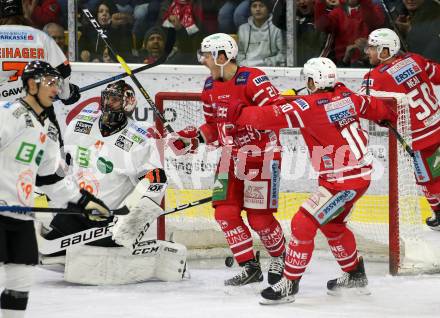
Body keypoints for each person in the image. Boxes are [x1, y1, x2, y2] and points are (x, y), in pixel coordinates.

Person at [234, 57, 397, 303]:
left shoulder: (307, 106)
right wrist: (386, 117)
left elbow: (263, 118)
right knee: (333, 225)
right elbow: (377, 107)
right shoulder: (349, 97)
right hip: (359, 176)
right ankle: (354, 274)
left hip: (342, 182)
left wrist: (239, 110)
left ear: (312, 81)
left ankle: (289, 283)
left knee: (303, 222)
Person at [42, 80, 187, 284]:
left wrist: (133, 221)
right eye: (107, 98)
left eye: (115, 99)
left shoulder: (140, 140)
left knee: (93, 257)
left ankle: (143, 252)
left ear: (128, 104)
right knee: (49, 252)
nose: (108, 103)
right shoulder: (79, 125)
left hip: (108, 219)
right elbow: (63, 162)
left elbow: (157, 182)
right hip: (77, 210)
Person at [172, 33, 287, 286]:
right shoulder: (210, 86)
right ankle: (250, 267)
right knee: (225, 213)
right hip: (228, 159)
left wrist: (249, 115)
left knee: (260, 219)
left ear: (222, 56)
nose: (202, 60)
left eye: (206, 55)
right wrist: (194, 138)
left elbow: (280, 115)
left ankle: (280, 256)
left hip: (261, 157)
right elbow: (213, 127)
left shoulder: (253, 79)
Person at [0, 60, 110, 318]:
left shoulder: (48, 129)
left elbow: (51, 180)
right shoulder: (8, 114)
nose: (55, 88)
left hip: (21, 216)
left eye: (57, 83)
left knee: (21, 282)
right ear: (30, 84)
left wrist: (84, 203)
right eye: (49, 82)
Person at [361, 28, 440, 230]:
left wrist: (382, 119)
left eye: (372, 48)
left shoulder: (375, 78)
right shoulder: (415, 59)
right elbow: (437, 75)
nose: (367, 52)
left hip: (419, 139)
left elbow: (367, 108)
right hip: (437, 124)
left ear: (385, 51)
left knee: (427, 179)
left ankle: (439, 213)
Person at [0, 0, 80, 105]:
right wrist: (66, 93)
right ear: (23, 12)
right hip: (33, 109)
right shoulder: (40, 37)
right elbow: (63, 69)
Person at [314, 0, 385, 66]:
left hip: (371, 63)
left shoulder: (374, 9)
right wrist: (320, 2)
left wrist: (368, 47)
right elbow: (321, 26)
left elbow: (374, 21)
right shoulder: (337, 13)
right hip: (344, 65)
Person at [237, 0, 285, 67]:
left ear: (268, 9)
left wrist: (266, 63)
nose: (258, 9)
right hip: (247, 69)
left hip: (270, 69)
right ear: (250, 9)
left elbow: (283, 54)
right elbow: (240, 53)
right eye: (254, 6)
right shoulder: (242, 29)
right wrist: (243, 64)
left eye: (261, 6)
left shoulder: (276, 28)